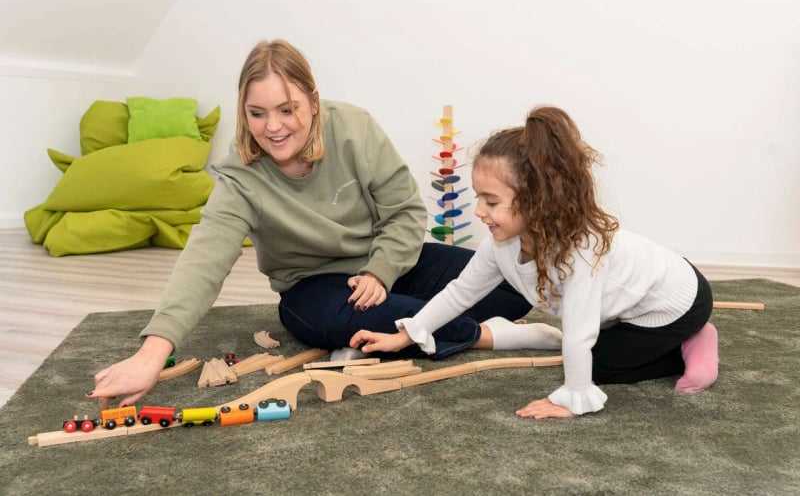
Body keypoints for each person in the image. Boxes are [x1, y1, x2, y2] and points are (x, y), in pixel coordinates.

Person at [89, 40, 559, 407]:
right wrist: (151, 354)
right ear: (243, 111)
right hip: (314, 288)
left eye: (287, 109)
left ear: (312, 101)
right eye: (257, 113)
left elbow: (405, 212)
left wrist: (380, 272)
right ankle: (484, 335)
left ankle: (407, 327)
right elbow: (204, 261)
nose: (273, 127)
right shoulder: (240, 175)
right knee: (376, 317)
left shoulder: (354, 128)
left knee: (513, 285)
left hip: (387, 266)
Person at [350, 106, 719, 419]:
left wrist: (572, 399)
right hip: (627, 309)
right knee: (586, 353)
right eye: (479, 198)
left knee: (599, 366)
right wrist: (408, 334)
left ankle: (693, 339)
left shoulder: (580, 251)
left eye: (491, 202)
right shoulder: (501, 243)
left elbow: (579, 334)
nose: (479, 211)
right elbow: (462, 291)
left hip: (675, 303)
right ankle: (669, 342)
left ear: (536, 201)